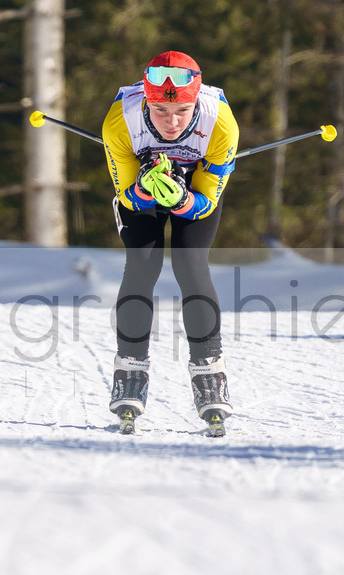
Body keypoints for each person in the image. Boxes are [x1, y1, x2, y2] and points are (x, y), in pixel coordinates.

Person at [101, 50, 239, 434]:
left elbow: (206, 201)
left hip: (194, 186)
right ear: (146, 100)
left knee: (190, 265)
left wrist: (181, 198)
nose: (172, 122)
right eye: (161, 111)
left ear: (196, 102)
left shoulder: (221, 123)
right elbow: (126, 195)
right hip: (142, 184)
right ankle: (129, 371)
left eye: (182, 111)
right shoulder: (120, 122)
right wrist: (146, 190)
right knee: (144, 264)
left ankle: (210, 374)